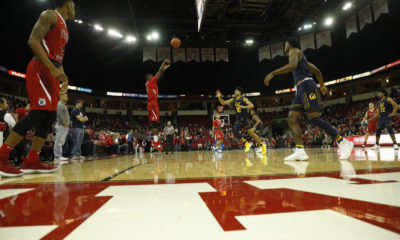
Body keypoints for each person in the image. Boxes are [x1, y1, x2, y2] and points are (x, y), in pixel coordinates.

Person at [0, 0, 75, 177]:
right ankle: (2, 156)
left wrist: (63, 76)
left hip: (52, 70)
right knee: (38, 113)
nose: (74, 8)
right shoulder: (49, 15)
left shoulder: (65, 28)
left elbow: (59, 57)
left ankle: (32, 159)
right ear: (66, 4)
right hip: (40, 68)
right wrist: (51, 68)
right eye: (73, 4)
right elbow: (33, 41)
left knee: (49, 116)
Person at [264, 37, 353, 161]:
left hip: (306, 86)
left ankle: (343, 142)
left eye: (285, 44)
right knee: (291, 118)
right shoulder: (303, 58)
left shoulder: (294, 51)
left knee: (314, 119)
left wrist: (273, 73)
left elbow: (292, 65)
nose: (284, 47)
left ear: (289, 44)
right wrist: (322, 85)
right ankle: (300, 150)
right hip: (300, 88)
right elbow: (317, 71)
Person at [216, 88, 266, 155]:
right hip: (238, 118)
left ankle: (262, 146)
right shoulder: (233, 99)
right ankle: (246, 143)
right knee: (235, 130)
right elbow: (223, 102)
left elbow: (252, 105)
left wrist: (243, 107)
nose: (235, 91)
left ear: (240, 92)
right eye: (235, 90)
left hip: (245, 118)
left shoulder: (244, 99)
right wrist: (219, 97)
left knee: (251, 133)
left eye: (237, 90)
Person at [145, 59, 171, 151]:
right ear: (149, 78)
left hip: (152, 103)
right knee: (155, 125)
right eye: (152, 76)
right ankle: (155, 142)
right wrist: (163, 63)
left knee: (155, 124)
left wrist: (164, 69)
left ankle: (155, 142)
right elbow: (159, 72)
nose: (154, 77)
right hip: (152, 104)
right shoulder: (151, 82)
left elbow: (159, 73)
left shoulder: (149, 83)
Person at [54, 93, 69, 161]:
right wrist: (65, 125)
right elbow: (60, 116)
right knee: (59, 141)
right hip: (61, 125)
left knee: (61, 142)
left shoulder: (64, 105)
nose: (67, 97)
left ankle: (59, 156)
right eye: (65, 96)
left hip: (63, 126)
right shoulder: (60, 104)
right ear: (61, 96)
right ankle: (57, 156)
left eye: (67, 96)